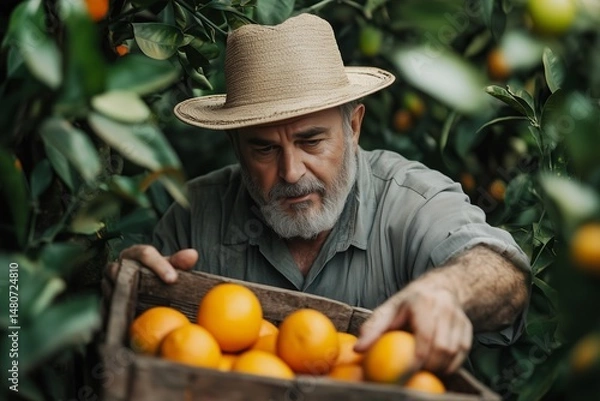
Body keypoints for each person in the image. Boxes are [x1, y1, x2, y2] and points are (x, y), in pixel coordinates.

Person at [108, 13, 531, 375]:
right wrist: (129, 284)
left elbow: (502, 274)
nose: (291, 172)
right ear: (236, 147)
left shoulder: (408, 200)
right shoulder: (195, 216)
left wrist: (447, 291)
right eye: (264, 148)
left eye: (311, 141)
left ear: (354, 127)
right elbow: (137, 336)